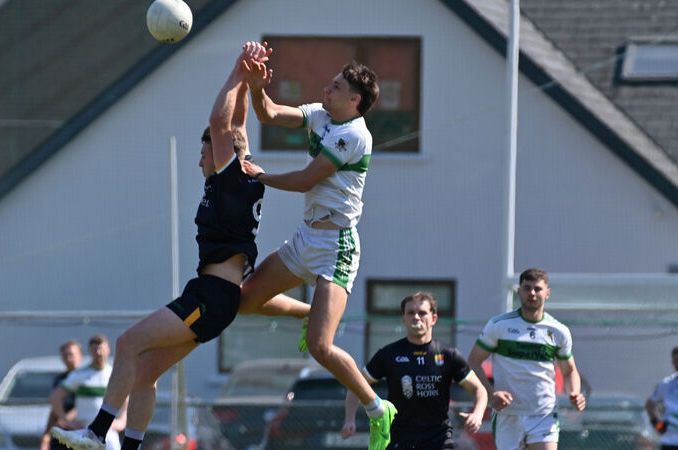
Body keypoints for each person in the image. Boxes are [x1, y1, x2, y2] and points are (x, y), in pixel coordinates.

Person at [50, 41, 269, 450]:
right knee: (146, 371)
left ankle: (98, 432)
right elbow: (235, 128)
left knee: (127, 344)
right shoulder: (241, 178)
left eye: (204, 151)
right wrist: (246, 85)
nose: (200, 159)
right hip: (213, 296)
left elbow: (221, 126)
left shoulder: (229, 178)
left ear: (219, 154)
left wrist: (238, 72)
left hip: (213, 294)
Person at [237, 45, 394, 450]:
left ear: (355, 100)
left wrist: (261, 177)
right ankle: (312, 313)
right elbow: (269, 113)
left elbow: (308, 179)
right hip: (306, 236)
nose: (327, 88)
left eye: (336, 85)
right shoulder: (323, 115)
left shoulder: (354, 134)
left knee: (322, 349)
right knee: (245, 301)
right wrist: (256, 87)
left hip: (336, 245)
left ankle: (378, 408)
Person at [341, 292, 487, 449]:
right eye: (411, 313)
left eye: (422, 313)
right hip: (400, 440)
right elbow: (356, 385)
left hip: (439, 441)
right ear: (404, 318)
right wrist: (349, 419)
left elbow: (479, 390)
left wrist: (477, 414)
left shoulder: (448, 355)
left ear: (434, 319)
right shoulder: (389, 354)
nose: (416, 317)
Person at [467, 268, 586, 450]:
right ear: (519, 292)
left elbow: (569, 370)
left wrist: (575, 393)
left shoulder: (559, 331)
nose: (532, 293)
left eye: (537, 289)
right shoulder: (499, 325)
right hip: (508, 414)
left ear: (547, 293)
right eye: (527, 288)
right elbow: (473, 361)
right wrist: (491, 395)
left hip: (543, 414)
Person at [49, 335, 124, 450]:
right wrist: (68, 421)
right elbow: (55, 397)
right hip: (85, 430)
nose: (98, 353)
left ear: (108, 349)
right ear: (90, 351)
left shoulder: (114, 374)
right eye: (95, 349)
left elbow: (127, 398)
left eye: (101, 349)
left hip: (110, 431)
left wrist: (123, 421)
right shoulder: (79, 374)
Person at [40, 340, 83, 450]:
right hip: (61, 432)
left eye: (71, 354)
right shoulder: (60, 380)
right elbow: (54, 409)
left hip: (80, 432)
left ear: (80, 355)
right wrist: (46, 436)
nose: (68, 358)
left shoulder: (86, 378)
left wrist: (66, 419)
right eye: (65, 355)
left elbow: (87, 405)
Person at [645, 346, 678, 450]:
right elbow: (649, 406)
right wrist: (657, 425)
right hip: (670, 441)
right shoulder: (666, 384)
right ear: (673, 362)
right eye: (676, 360)